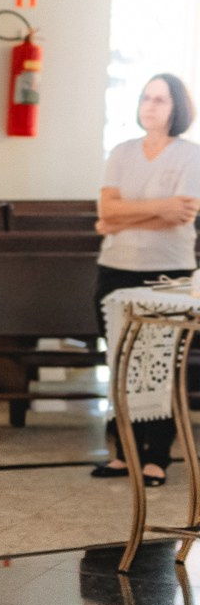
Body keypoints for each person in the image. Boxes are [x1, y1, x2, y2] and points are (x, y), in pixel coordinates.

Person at [91, 73, 200, 485]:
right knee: (120, 361)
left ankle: (157, 457)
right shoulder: (121, 151)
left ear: (177, 108)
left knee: (162, 364)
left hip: (168, 270)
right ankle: (125, 453)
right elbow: (106, 210)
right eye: (146, 98)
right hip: (115, 268)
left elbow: (183, 215)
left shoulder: (191, 156)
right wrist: (157, 209)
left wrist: (120, 215)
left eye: (161, 99)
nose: (151, 105)